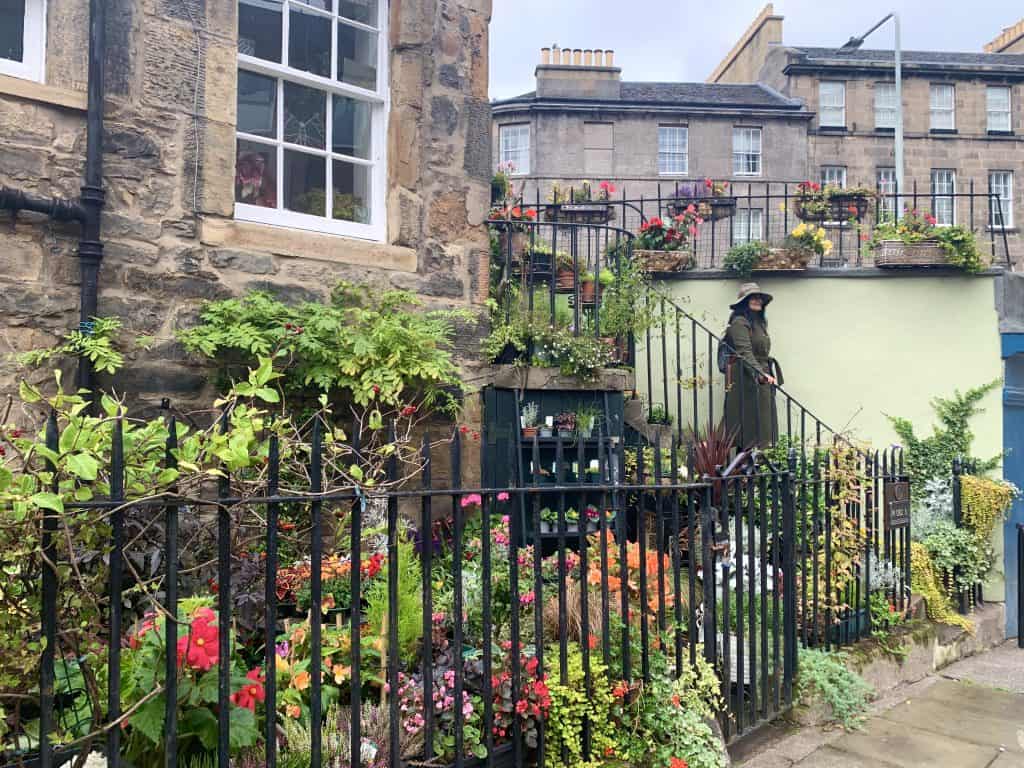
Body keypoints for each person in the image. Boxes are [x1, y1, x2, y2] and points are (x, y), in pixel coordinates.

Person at [723, 283, 780, 448]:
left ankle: (759, 457)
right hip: (746, 378)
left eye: (759, 297)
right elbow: (744, 352)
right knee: (748, 425)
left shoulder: (759, 323)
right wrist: (761, 374)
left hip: (760, 375)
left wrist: (764, 374)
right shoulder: (739, 323)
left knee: (763, 424)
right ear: (744, 302)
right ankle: (746, 459)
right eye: (752, 297)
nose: (757, 300)